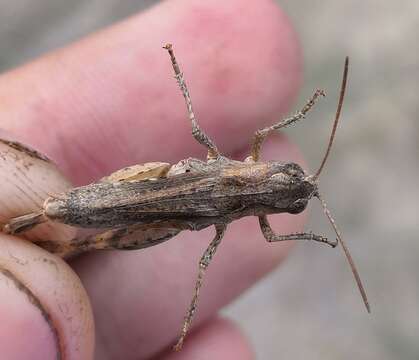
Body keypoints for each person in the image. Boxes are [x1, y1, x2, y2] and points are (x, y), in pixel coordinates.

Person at [0, 0, 304, 358]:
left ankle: (56, 234)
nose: (291, 180)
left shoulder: (250, 162)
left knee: (93, 239)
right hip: (150, 186)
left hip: (161, 216)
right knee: (96, 204)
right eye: (291, 177)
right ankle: (50, 228)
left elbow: (205, 128)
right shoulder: (245, 180)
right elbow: (268, 234)